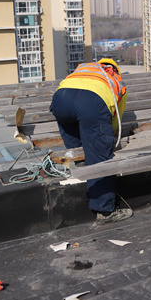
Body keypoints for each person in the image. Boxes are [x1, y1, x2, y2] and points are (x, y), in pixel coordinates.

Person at [50, 58, 131, 224]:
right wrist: (105, 137)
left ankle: (81, 168)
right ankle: (105, 211)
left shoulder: (84, 68)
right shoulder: (116, 80)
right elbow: (115, 118)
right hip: (92, 102)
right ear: (114, 69)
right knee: (99, 157)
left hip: (60, 99)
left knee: (77, 146)